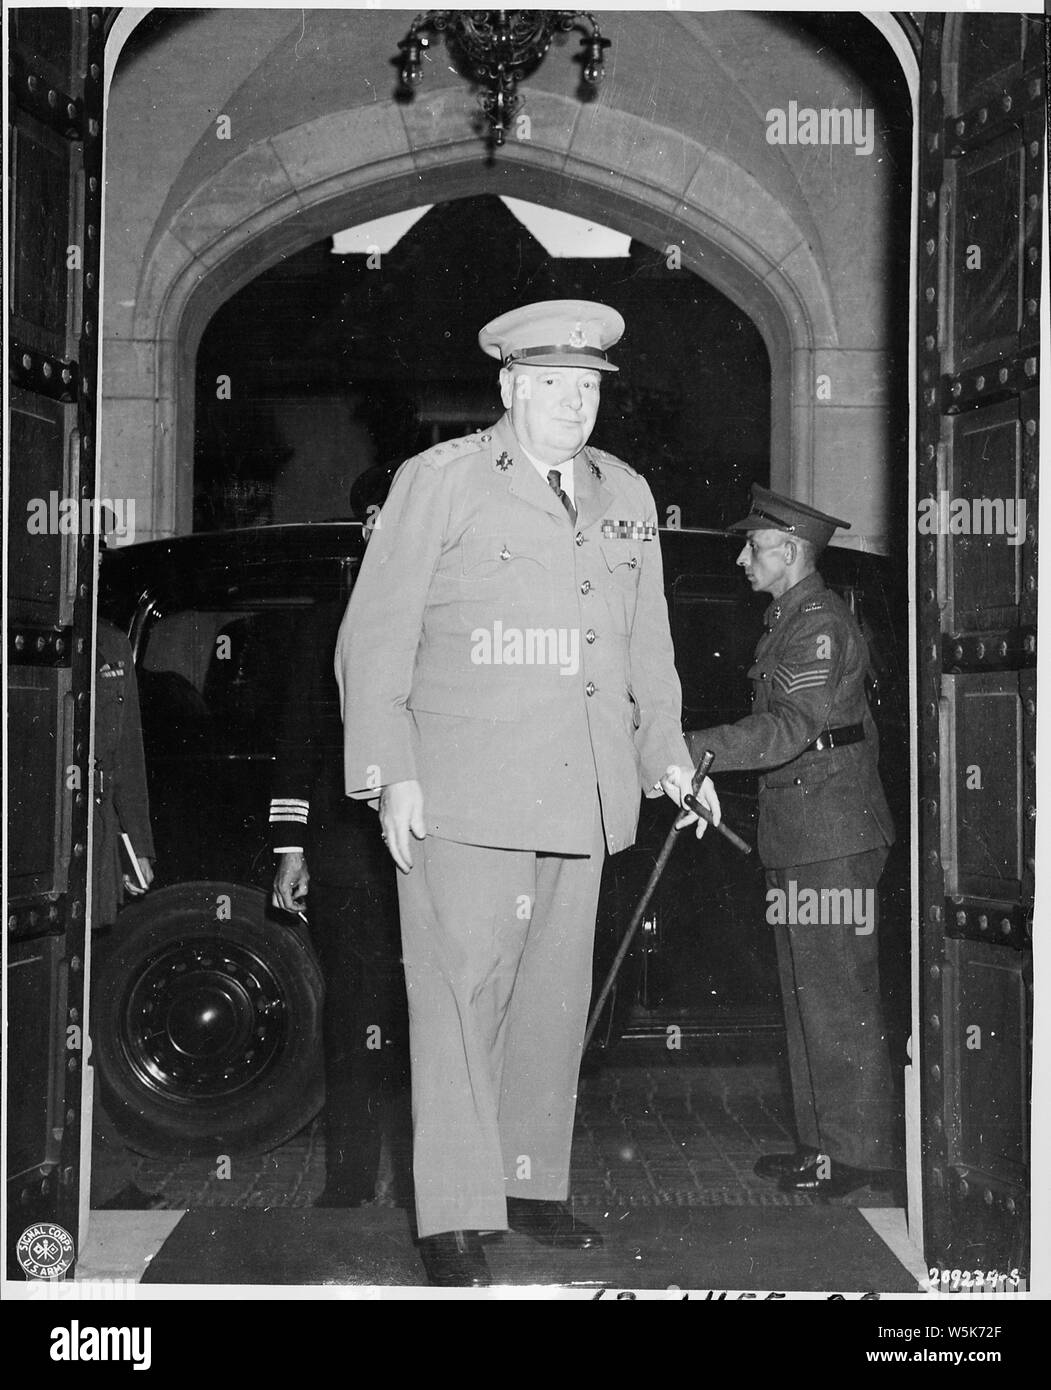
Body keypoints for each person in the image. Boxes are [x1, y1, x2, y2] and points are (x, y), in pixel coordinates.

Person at [335, 299, 720, 1285]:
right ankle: (455, 1217)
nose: (571, 403)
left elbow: (647, 647)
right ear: (510, 387)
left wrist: (666, 758)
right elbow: (374, 637)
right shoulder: (441, 480)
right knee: (460, 999)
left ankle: (528, 1182)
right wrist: (390, 774)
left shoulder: (625, 491)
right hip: (462, 792)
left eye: (587, 386)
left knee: (552, 1000)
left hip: (582, 794)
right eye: (551, 383)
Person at [678, 484, 901, 1197]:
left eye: (754, 545)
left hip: (830, 833)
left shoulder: (816, 625)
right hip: (804, 829)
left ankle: (856, 1152)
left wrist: (685, 749)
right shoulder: (787, 619)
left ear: (790, 551)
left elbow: (785, 730)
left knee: (834, 994)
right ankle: (822, 1145)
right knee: (808, 992)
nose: (743, 557)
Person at [269, 600, 410, 1208]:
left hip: (440, 853)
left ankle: (426, 1188)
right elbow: (300, 730)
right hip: (352, 853)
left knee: (430, 1023)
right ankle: (349, 1181)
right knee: (354, 1017)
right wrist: (292, 845)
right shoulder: (333, 619)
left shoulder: (450, 600)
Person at [89, 616, 162, 1210]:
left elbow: (128, 759)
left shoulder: (111, 643)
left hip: (89, 852)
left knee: (83, 1019)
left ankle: (98, 1175)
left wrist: (138, 846)